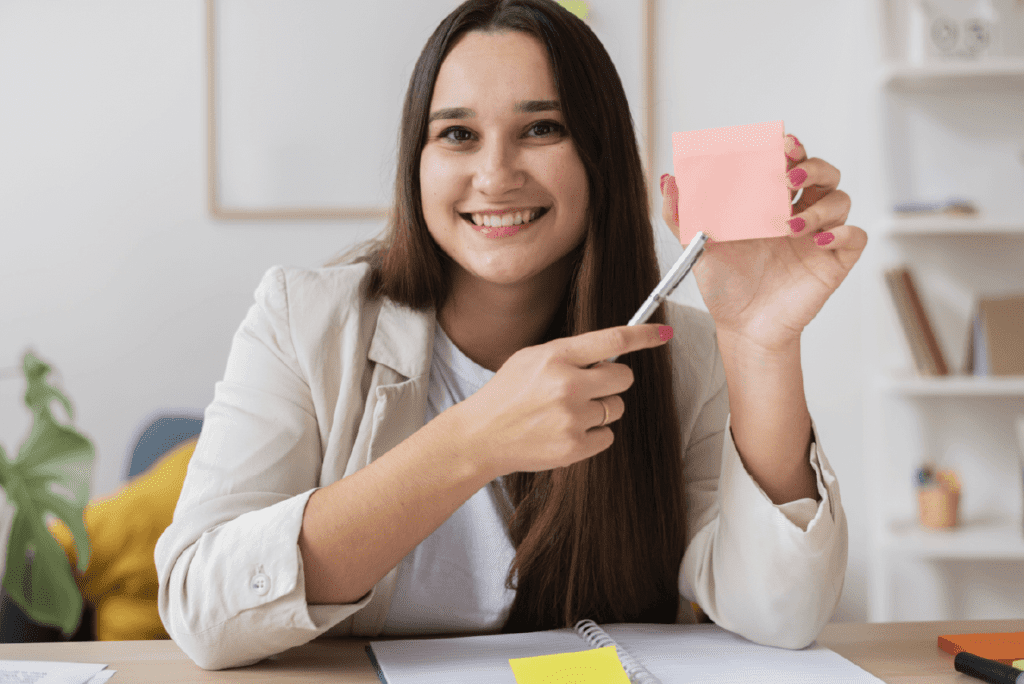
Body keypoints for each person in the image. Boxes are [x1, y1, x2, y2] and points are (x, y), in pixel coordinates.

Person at [155, 0, 864, 670]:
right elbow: (200, 608)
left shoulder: (686, 355)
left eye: (541, 129)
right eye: (457, 134)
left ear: (600, 158)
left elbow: (782, 615)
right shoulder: (302, 320)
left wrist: (761, 344)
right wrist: (473, 441)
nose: (494, 175)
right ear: (416, 163)